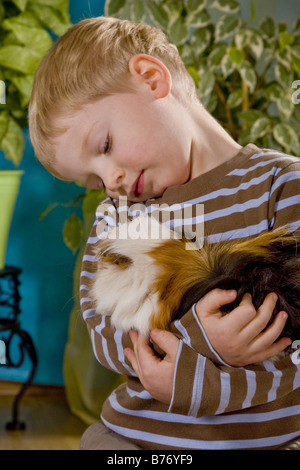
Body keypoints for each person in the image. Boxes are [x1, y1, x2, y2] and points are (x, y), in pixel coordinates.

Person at [28, 16, 300, 450]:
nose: (111, 181)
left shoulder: (281, 185)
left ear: (152, 79)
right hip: (139, 440)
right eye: (94, 182)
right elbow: (104, 334)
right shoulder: (116, 216)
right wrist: (200, 339)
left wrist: (203, 368)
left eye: (104, 147)